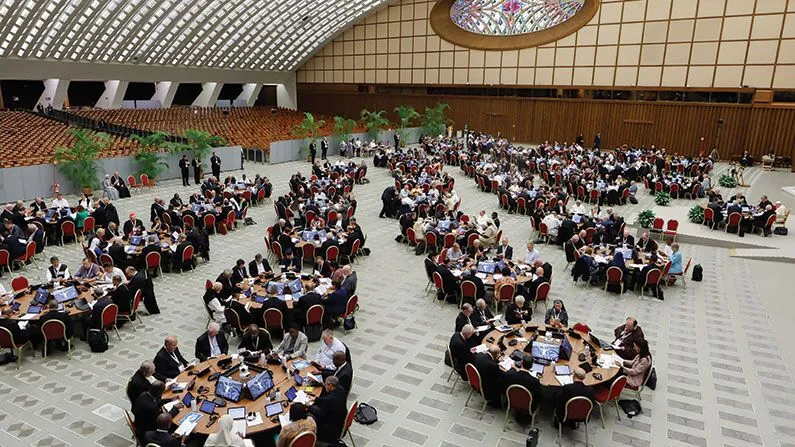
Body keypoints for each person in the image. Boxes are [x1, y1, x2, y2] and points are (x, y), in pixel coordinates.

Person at [308, 376, 347, 445]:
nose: (324, 386)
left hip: (329, 427)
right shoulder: (341, 389)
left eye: (325, 384)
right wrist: (316, 399)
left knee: (308, 415)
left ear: (330, 385)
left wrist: (308, 406)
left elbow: (319, 414)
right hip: (339, 419)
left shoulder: (329, 400)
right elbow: (327, 399)